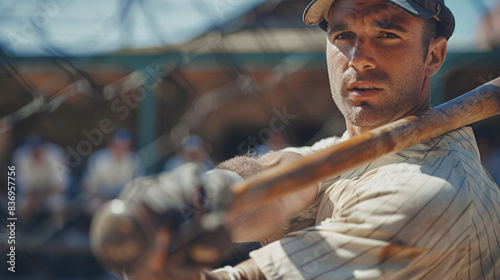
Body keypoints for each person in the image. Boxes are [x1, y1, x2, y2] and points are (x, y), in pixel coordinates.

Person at [90, 0, 500, 279]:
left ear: (434, 56)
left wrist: (159, 270)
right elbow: (287, 180)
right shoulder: (367, 150)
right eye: (343, 36)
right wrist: (214, 191)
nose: (359, 56)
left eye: (387, 33)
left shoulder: (430, 192)